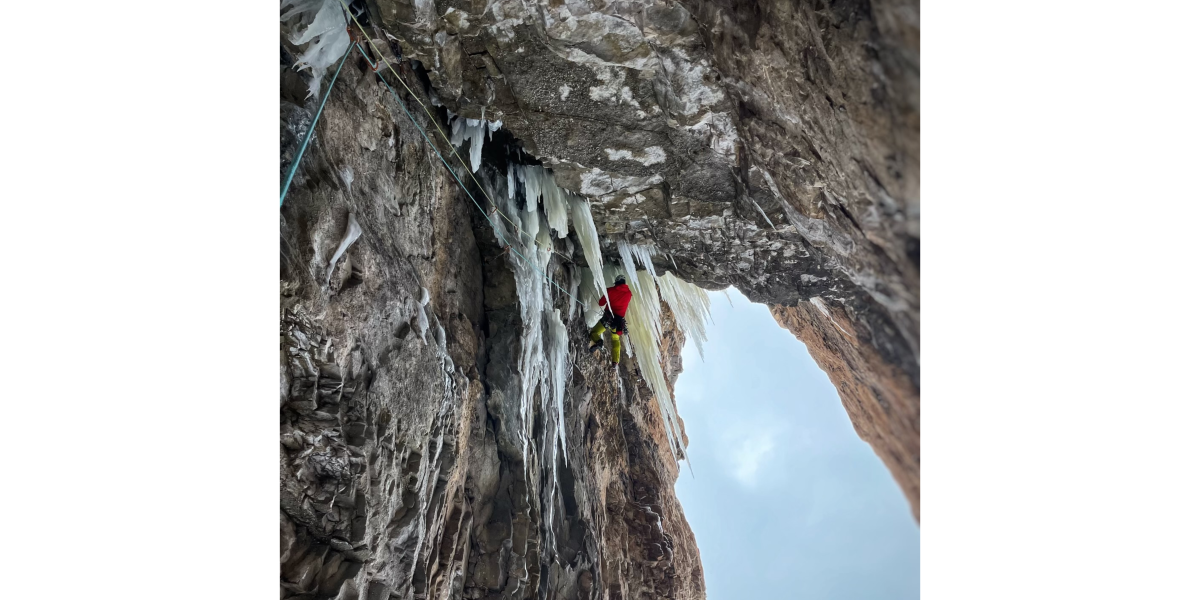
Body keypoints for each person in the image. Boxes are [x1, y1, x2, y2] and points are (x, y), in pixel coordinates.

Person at [589, 275, 632, 364]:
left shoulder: (610, 291)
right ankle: (615, 362)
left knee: (594, 332)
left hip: (608, 318)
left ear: (616, 282)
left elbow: (601, 303)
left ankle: (598, 341)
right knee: (616, 340)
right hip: (618, 322)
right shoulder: (629, 294)